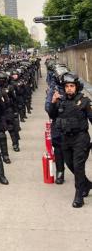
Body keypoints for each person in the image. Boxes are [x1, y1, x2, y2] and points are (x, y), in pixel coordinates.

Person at [48, 73, 92, 207]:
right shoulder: (60, 101)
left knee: (78, 166)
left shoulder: (84, 101)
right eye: (67, 86)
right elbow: (52, 115)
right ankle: (87, 184)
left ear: (76, 87)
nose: (69, 89)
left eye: (72, 86)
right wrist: (53, 102)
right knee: (70, 164)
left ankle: (79, 195)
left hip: (81, 138)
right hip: (65, 139)